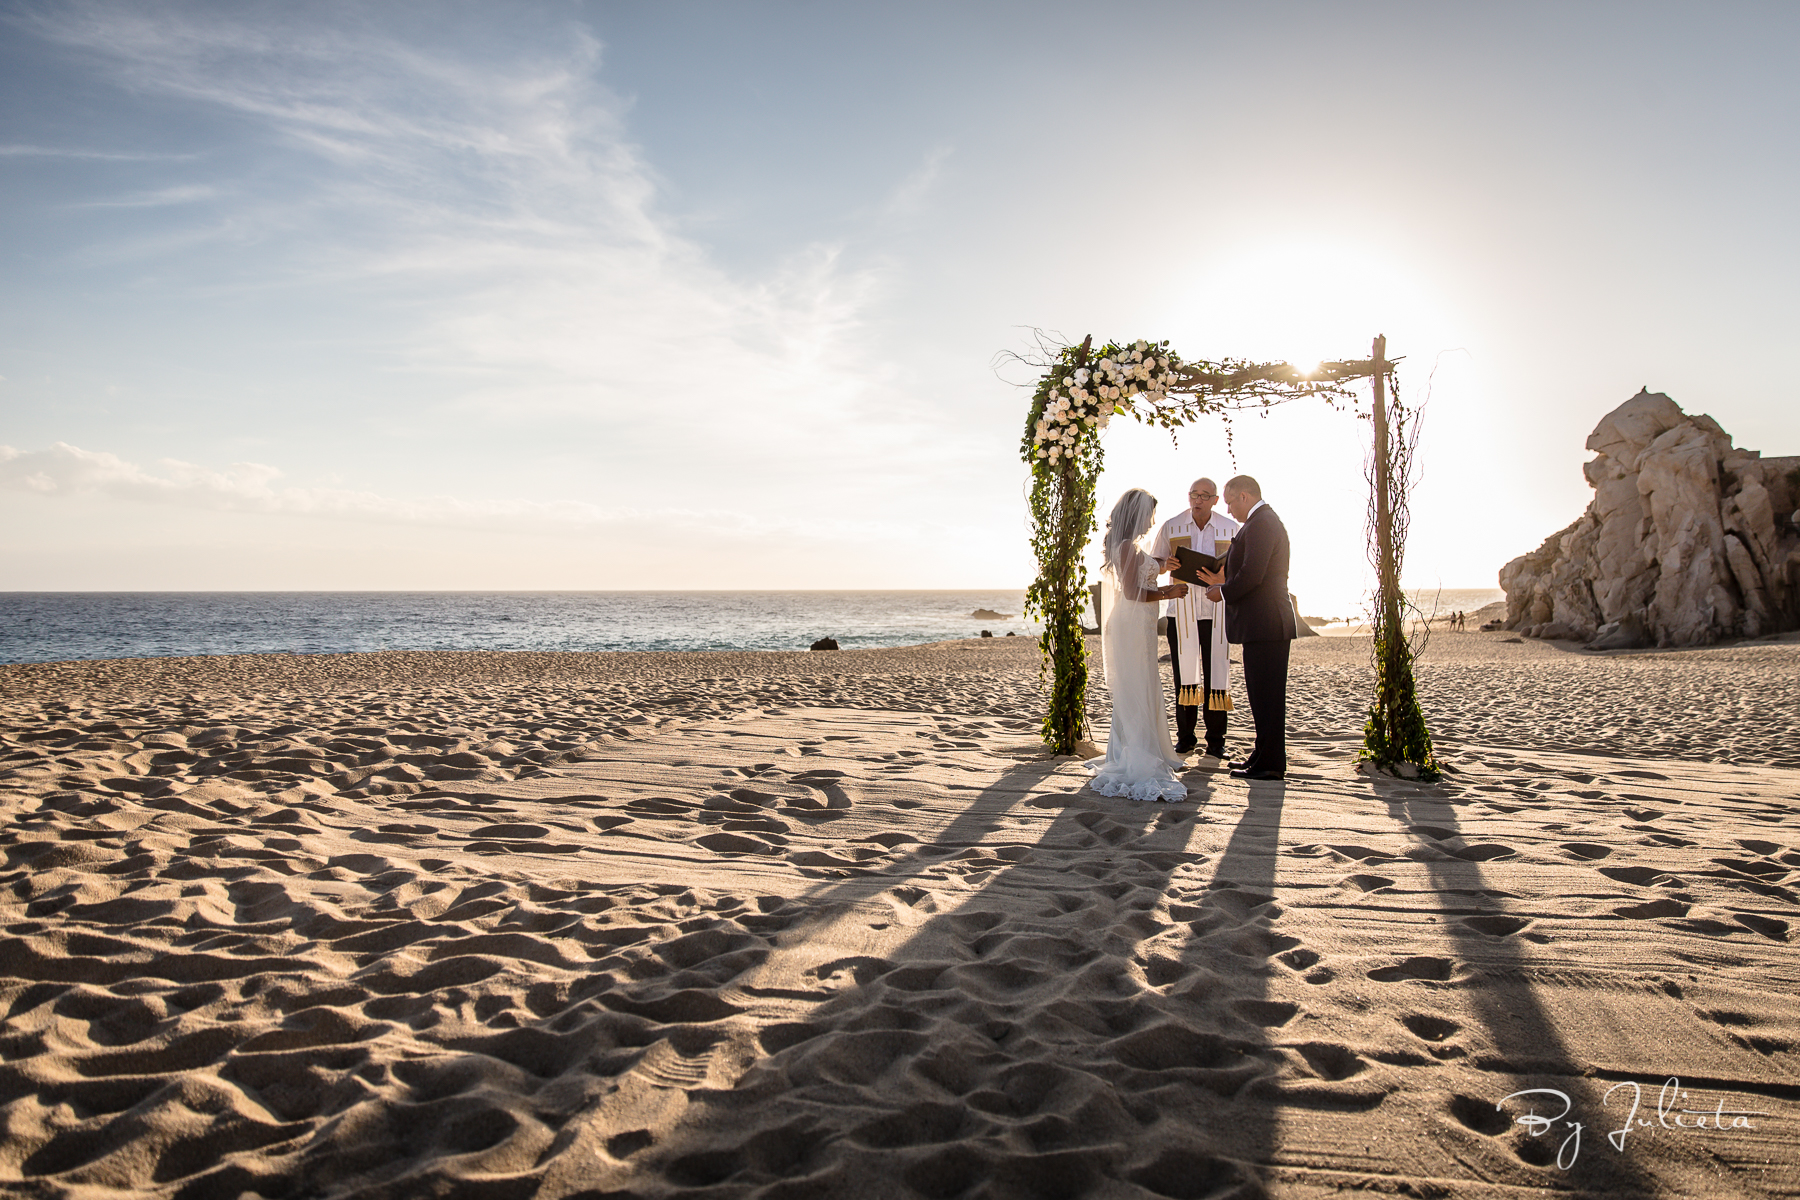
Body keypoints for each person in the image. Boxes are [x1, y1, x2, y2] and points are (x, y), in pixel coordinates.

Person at [1088, 489, 1192, 803]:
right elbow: (1134, 593)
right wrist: (1167, 593)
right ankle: (1136, 752)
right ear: (1136, 515)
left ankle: (1141, 747)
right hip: (1132, 624)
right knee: (1136, 686)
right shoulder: (1126, 547)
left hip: (1140, 627)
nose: (1152, 521)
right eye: (1149, 515)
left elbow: (1144, 570)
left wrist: (1161, 564)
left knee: (1143, 684)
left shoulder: (1128, 547)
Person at [1197, 475, 1294, 781]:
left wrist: (1222, 592)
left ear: (1244, 496)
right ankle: (1262, 756)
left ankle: (1270, 763)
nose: (1228, 508)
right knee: (1261, 696)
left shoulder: (1263, 523)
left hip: (1267, 623)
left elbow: (1254, 574)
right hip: (1260, 624)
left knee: (1268, 697)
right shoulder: (1258, 522)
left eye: (1228, 501)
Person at [1148, 477, 1240, 759]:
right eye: (1193, 495)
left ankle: (1216, 742)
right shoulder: (1172, 525)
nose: (1198, 500)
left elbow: (1240, 570)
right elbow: (1154, 564)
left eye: (1204, 495)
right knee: (1183, 676)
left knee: (1216, 676)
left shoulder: (1230, 528)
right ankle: (1186, 738)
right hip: (1182, 610)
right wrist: (1167, 565)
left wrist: (1223, 577)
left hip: (1216, 613)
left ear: (1215, 500)